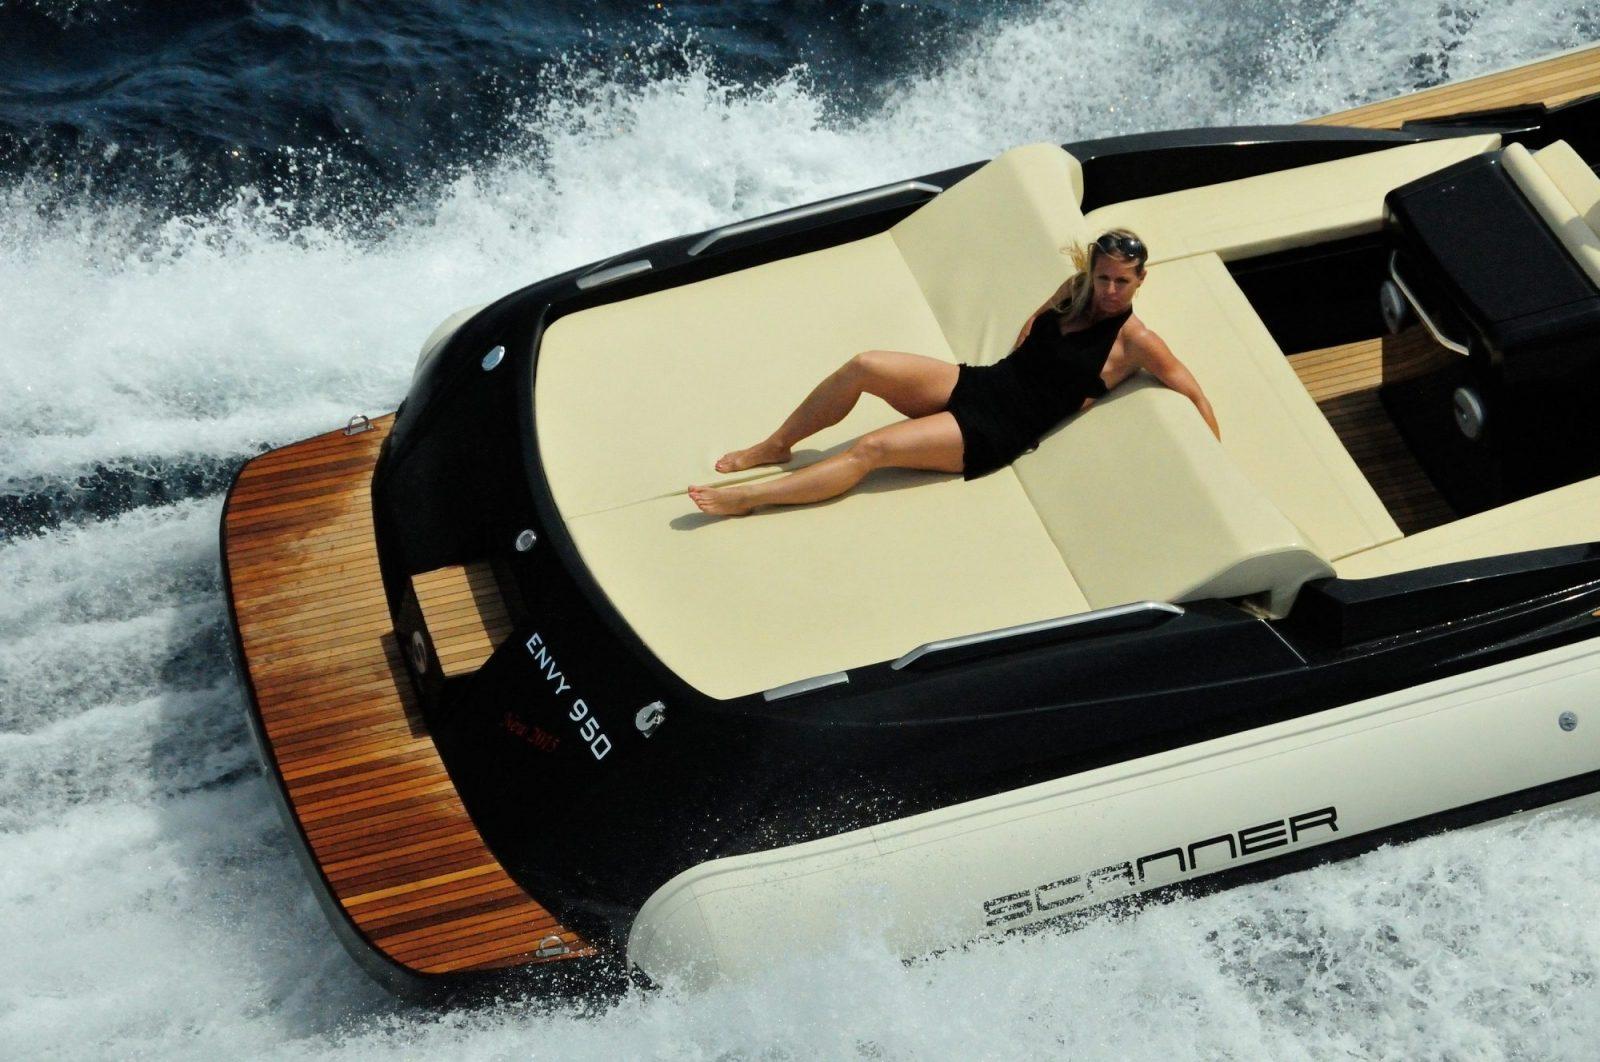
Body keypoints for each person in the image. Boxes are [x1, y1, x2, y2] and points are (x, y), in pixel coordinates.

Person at [687, 229, 1219, 517]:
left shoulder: (1137, 341)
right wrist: (1025, 364)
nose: (1109, 291)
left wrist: (1215, 463)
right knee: (865, 365)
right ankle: (776, 445)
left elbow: (1192, 392)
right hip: (985, 382)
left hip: (997, 429)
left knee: (872, 449)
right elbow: (1031, 327)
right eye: (1103, 278)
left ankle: (749, 500)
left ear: (1140, 280)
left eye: (1122, 282)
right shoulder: (1074, 289)